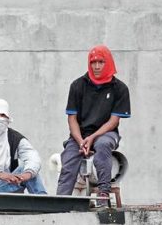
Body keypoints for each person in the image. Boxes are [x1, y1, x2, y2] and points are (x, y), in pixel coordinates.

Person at [56, 44, 131, 204]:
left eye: (100, 62)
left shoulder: (120, 89)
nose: (96, 66)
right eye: (93, 62)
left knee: (103, 146)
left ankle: (103, 194)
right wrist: (80, 140)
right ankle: (59, 202)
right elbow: (72, 119)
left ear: (108, 63)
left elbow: (113, 121)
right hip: (80, 135)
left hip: (106, 133)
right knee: (68, 160)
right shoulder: (77, 85)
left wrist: (94, 137)